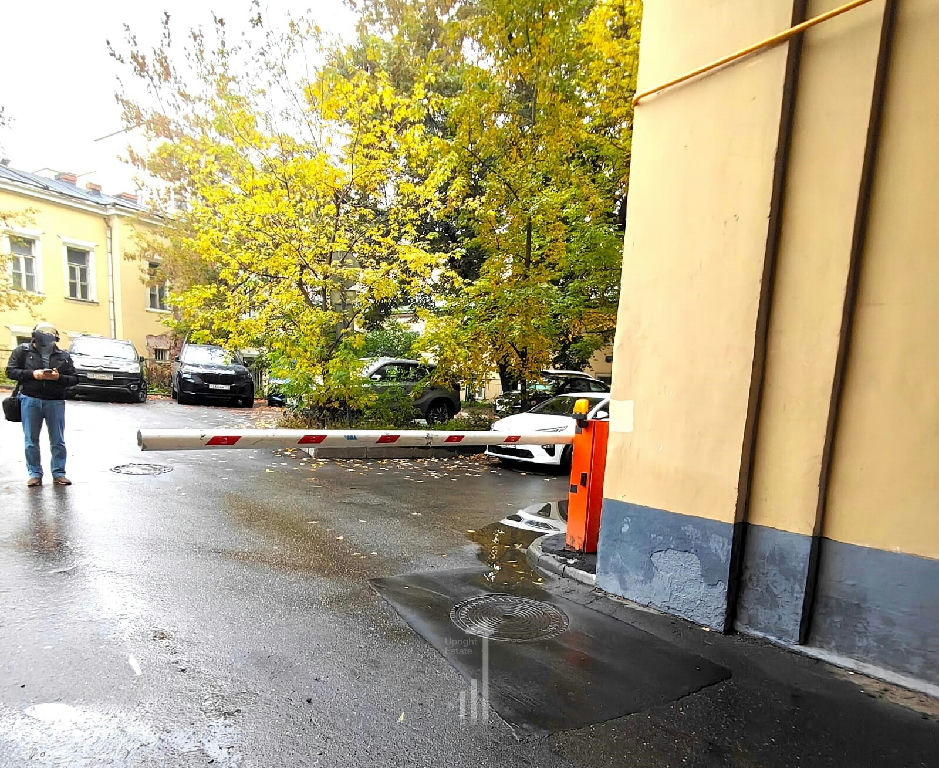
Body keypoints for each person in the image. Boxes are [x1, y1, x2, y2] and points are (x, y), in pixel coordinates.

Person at [5, 322, 78, 486]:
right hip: (30, 399)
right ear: (34, 339)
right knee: (31, 439)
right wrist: (33, 374)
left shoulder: (63, 356)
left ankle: (59, 473)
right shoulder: (23, 351)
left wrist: (58, 377)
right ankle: (35, 474)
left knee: (58, 440)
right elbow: (10, 371)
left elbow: (74, 378)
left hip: (55, 401)